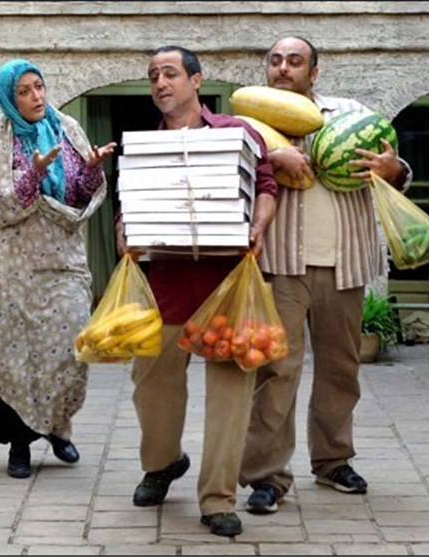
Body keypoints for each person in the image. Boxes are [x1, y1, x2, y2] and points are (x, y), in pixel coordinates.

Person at [240, 36, 412, 515]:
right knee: (276, 371)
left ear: (314, 72)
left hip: (344, 262)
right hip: (280, 264)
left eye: (294, 61)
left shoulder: (349, 113)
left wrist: (394, 169)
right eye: (275, 61)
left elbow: (394, 166)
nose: (283, 68)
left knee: (341, 369)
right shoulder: (250, 124)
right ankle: (266, 476)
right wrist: (270, 157)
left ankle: (333, 460)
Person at [116, 45, 278, 537]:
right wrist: (124, 230)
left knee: (230, 396)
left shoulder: (236, 134)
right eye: (153, 76)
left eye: (170, 73)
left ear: (196, 80)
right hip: (166, 284)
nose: (160, 83)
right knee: (151, 386)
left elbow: (266, 186)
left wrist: (258, 226)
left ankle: (218, 499)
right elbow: (128, 204)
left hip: (227, 285)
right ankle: (163, 463)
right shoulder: (144, 146)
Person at [0, 59, 116, 480]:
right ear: (9, 99)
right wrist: (33, 175)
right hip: (14, 263)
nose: (36, 96)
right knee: (16, 353)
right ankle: (19, 446)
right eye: (24, 91)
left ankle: (57, 426)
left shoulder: (67, 129)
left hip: (63, 258)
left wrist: (92, 169)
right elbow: (0, 207)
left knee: (70, 344)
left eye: (38, 86)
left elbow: (79, 196)